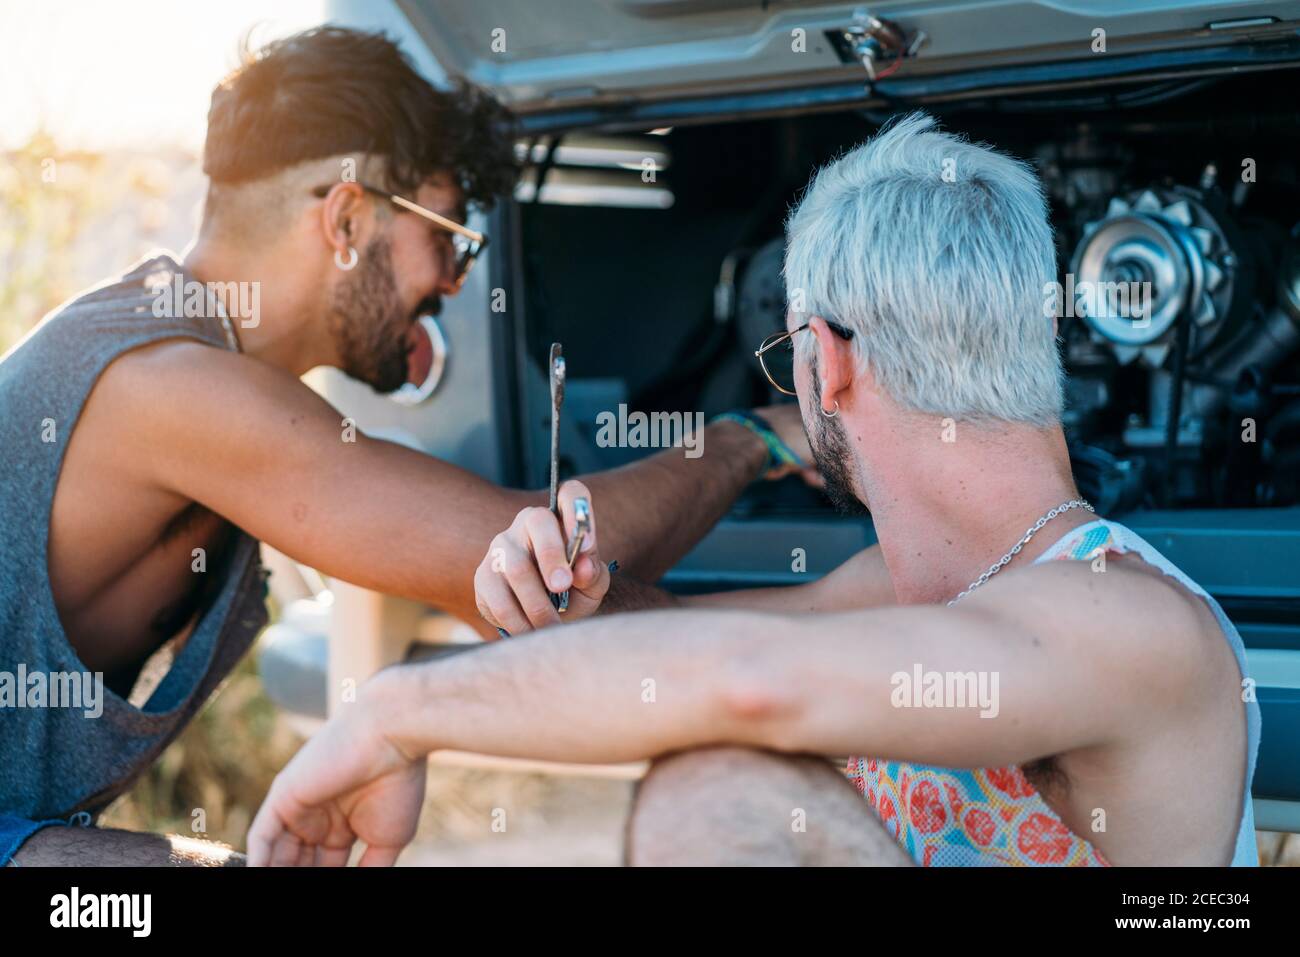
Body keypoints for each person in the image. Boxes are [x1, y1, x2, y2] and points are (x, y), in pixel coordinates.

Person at [248, 113, 1260, 867]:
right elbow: (675, 656)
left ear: (822, 361)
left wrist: (394, 710)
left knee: (715, 796)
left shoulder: (1128, 622)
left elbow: (746, 677)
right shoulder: (899, 587)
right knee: (723, 779)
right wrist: (582, 599)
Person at [0, 26, 809, 866]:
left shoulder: (201, 370)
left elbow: (533, 606)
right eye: (449, 236)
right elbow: (543, 555)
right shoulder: (171, 383)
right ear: (347, 218)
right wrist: (752, 435)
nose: (456, 281)